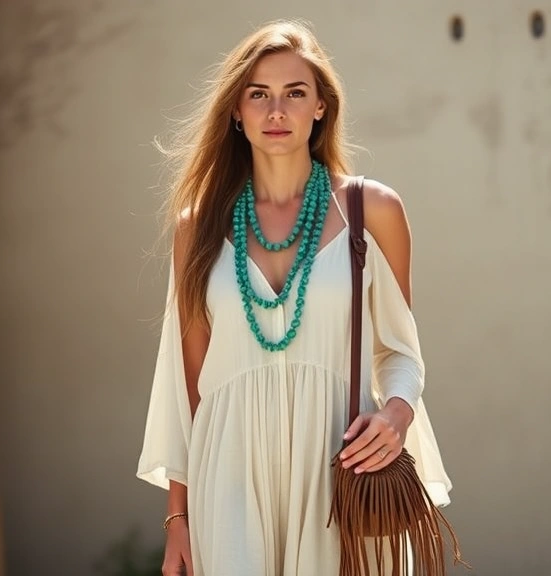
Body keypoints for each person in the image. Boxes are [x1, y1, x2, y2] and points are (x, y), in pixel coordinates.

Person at [137, 19, 453, 576]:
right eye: (258, 94)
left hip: (338, 474)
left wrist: (397, 416)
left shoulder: (371, 212)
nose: (276, 111)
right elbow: (187, 385)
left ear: (321, 107)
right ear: (237, 110)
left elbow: (400, 351)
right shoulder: (199, 226)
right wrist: (177, 519)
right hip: (229, 476)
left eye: (294, 93)